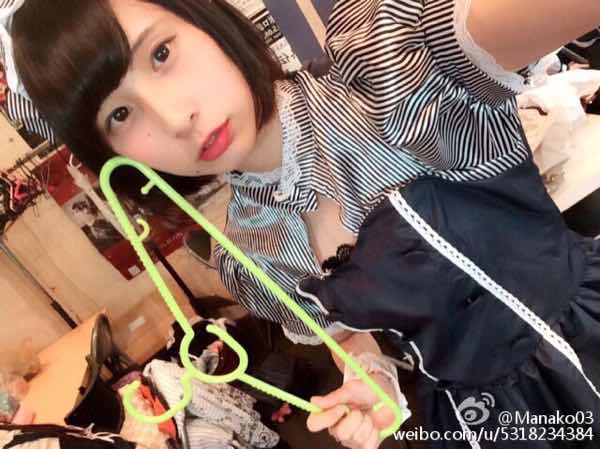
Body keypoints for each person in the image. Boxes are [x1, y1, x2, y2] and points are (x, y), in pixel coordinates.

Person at [4, 0, 600, 448]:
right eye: (121, 114)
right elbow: (349, 334)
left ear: (203, 18)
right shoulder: (248, 257)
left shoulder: (391, 72)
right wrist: (373, 375)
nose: (176, 118)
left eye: (161, 54)